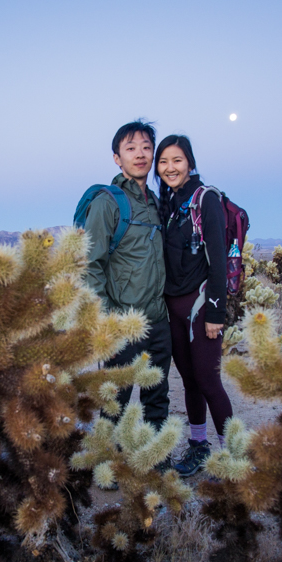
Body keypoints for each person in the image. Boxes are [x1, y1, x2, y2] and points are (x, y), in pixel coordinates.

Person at [83, 121, 172, 432]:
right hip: (120, 319)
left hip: (158, 319)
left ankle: (155, 456)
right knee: (115, 398)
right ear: (117, 158)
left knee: (157, 395)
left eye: (147, 147)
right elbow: (91, 263)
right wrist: (105, 319)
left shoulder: (158, 204)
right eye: (131, 148)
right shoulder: (108, 202)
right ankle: (107, 459)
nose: (140, 154)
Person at [155, 134, 234, 477]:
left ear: (190, 163)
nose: (170, 168)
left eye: (177, 160)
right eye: (164, 162)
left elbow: (217, 260)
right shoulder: (170, 204)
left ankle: (233, 455)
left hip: (201, 305)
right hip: (173, 307)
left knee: (208, 380)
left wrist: (216, 314)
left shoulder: (206, 200)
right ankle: (199, 446)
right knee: (188, 380)